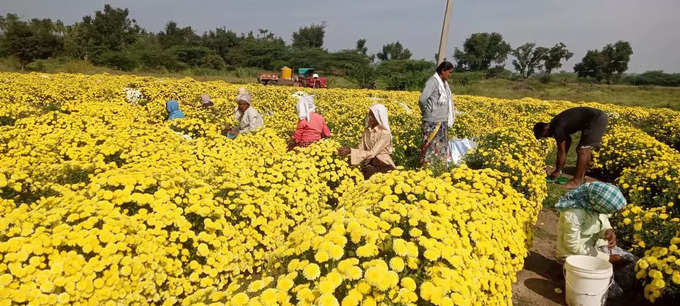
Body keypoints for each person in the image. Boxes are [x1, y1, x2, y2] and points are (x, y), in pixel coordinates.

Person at [555, 182, 638, 301]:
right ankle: (566, 277)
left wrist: (608, 231)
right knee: (613, 292)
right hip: (574, 257)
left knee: (632, 261)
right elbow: (572, 246)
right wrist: (606, 258)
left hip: (594, 249)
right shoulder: (573, 213)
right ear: (596, 203)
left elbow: (603, 219)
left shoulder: (594, 205)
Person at [533, 107, 609, 189]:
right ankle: (582, 176)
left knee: (583, 150)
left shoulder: (557, 127)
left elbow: (561, 151)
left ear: (545, 128)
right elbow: (567, 143)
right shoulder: (556, 123)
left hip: (596, 119)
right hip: (594, 119)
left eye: (545, 135)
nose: (548, 137)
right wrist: (559, 168)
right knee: (582, 149)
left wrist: (558, 171)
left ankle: (577, 181)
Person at [337, 104, 396, 179]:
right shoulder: (367, 131)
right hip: (369, 162)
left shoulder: (385, 133)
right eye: (369, 115)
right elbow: (361, 149)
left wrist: (351, 151)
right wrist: (347, 154)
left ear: (379, 117)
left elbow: (372, 153)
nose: (369, 118)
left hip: (383, 164)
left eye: (372, 115)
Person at [419, 61, 455, 167]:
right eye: (449, 72)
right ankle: (427, 168)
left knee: (440, 147)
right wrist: (427, 111)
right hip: (432, 121)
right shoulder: (433, 82)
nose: (450, 75)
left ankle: (438, 167)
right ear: (442, 71)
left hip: (442, 120)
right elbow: (422, 99)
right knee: (430, 146)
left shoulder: (444, 84)